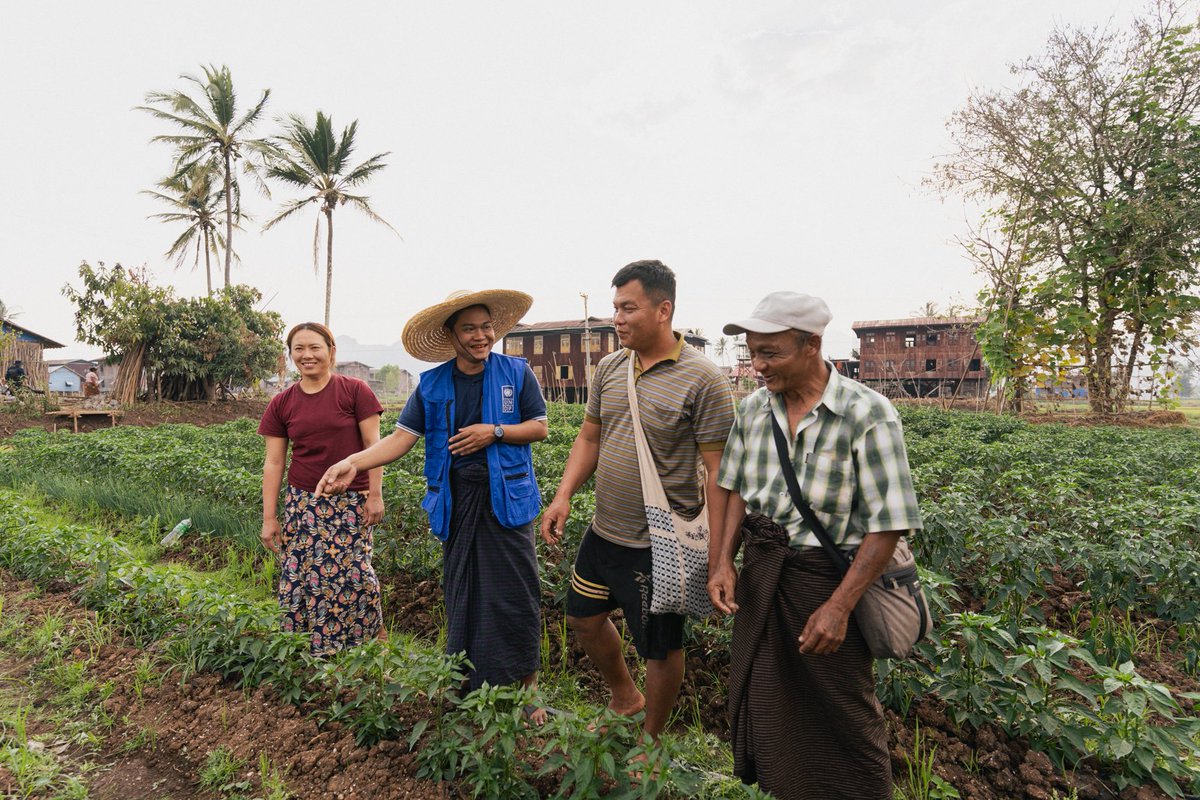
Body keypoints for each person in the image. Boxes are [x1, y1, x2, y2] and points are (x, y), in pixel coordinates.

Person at [708, 291, 923, 800]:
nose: (759, 366)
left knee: (844, 712)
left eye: (770, 353)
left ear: (811, 345)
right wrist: (722, 563)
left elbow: (888, 524)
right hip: (765, 579)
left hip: (826, 583)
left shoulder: (866, 414)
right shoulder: (753, 411)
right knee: (769, 703)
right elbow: (733, 489)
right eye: (753, 353)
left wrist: (839, 607)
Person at [317, 290, 550, 715]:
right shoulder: (433, 384)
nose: (481, 336)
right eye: (469, 329)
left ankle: (528, 692)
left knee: (518, 591)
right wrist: (353, 462)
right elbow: (401, 438)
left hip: (507, 499)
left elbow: (539, 427)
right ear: (451, 335)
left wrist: (494, 432)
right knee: (463, 590)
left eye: (486, 327)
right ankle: (466, 683)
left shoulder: (516, 373)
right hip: (457, 501)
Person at [541, 260, 735, 743]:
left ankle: (651, 739)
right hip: (605, 531)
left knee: (659, 648)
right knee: (583, 619)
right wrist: (563, 495)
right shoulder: (611, 367)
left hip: (660, 543)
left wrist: (719, 557)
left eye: (628, 308)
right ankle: (625, 698)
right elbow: (589, 437)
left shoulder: (703, 379)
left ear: (663, 309)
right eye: (615, 308)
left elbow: (719, 473)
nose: (617, 319)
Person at [258, 322, 386, 657]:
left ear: (331, 352)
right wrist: (269, 518)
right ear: (290, 355)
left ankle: (370, 644)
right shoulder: (282, 402)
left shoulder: (355, 391)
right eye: (298, 349)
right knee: (303, 574)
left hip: (351, 501)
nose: (307, 355)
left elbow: (375, 447)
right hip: (304, 503)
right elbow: (274, 463)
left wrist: (375, 495)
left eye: (315, 347)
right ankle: (312, 648)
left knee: (355, 573)